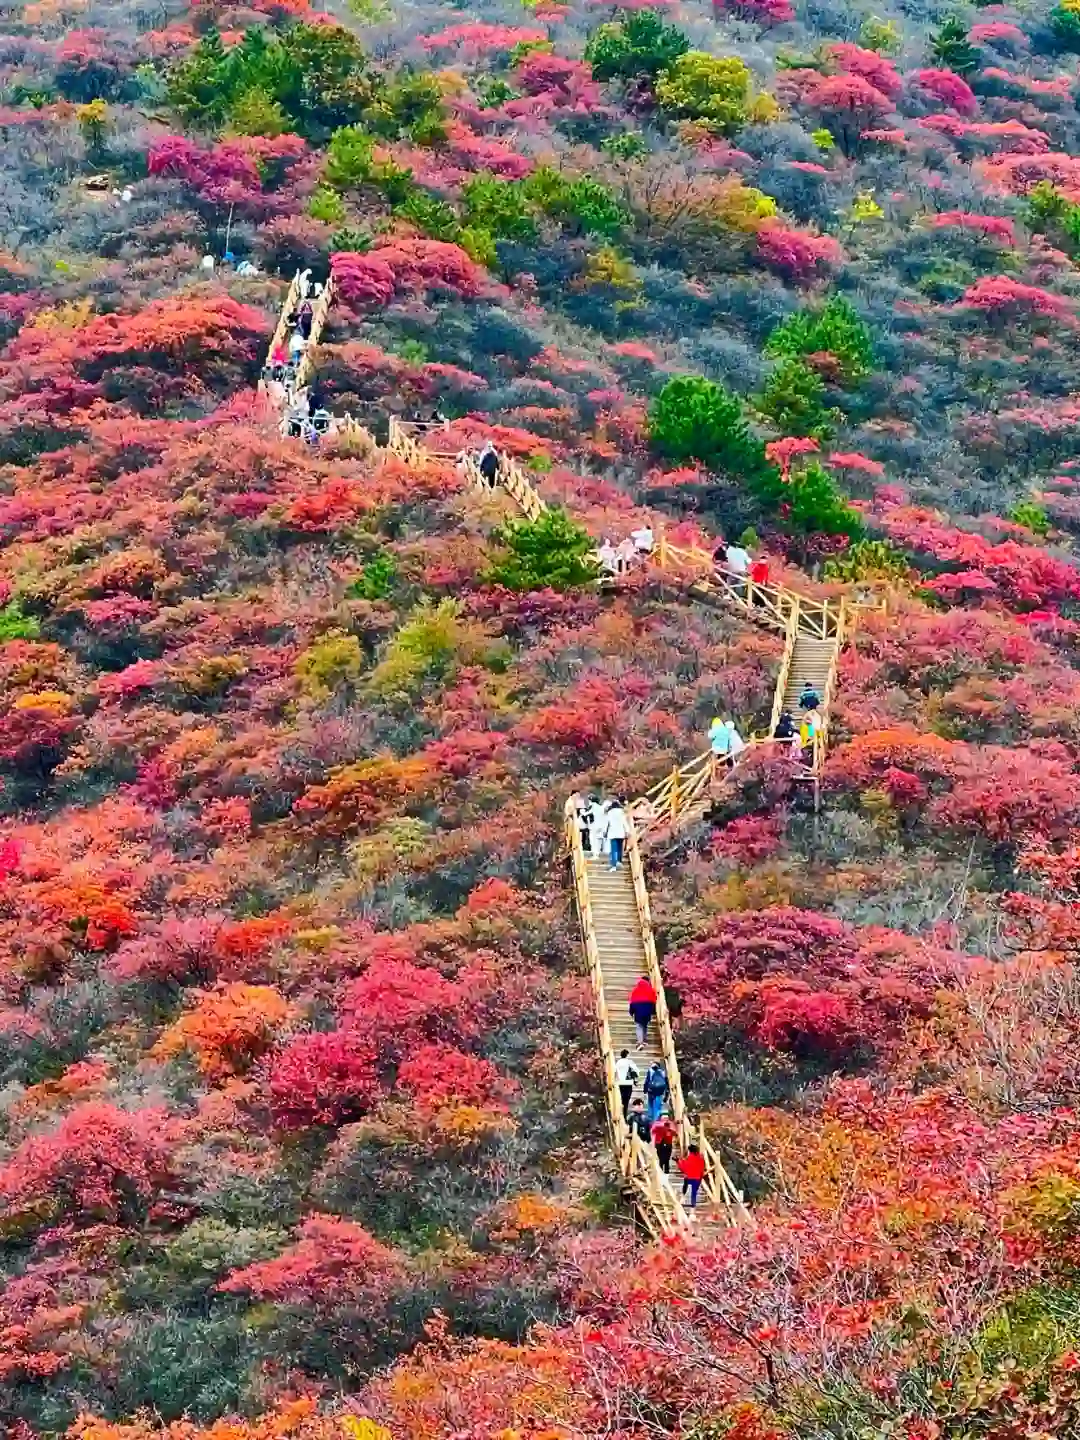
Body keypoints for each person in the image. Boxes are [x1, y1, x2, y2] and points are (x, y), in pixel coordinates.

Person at [629, 974, 657, 1047]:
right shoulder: (651, 990)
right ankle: (644, 1040)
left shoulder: (636, 990)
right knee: (645, 1025)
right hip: (647, 1009)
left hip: (638, 1010)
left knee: (639, 1025)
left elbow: (632, 1002)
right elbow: (653, 1002)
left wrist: (631, 1012)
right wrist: (653, 1012)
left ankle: (640, 1042)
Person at [678, 1144, 706, 1209]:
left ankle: (683, 1196)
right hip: (697, 1178)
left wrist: (678, 1161)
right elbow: (702, 1169)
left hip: (688, 1178)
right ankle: (693, 1203)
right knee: (694, 1191)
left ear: (690, 1151)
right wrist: (701, 1178)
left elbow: (683, 1168)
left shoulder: (688, 1158)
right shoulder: (701, 1159)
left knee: (685, 1184)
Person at [603, 799, 628, 870]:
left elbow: (607, 824)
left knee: (614, 849)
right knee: (620, 848)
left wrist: (605, 832)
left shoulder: (610, 812)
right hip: (621, 833)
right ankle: (619, 861)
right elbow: (624, 822)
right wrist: (627, 831)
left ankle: (614, 863)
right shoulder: (622, 812)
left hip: (612, 833)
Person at [615, 1049, 639, 1118]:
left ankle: (621, 1113)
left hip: (620, 1083)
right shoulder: (629, 1062)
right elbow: (635, 1071)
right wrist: (635, 1081)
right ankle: (624, 1114)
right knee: (626, 1100)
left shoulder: (618, 1062)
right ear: (627, 1055)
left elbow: (615, 1072)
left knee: (622, 1099)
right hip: (628, 1083)